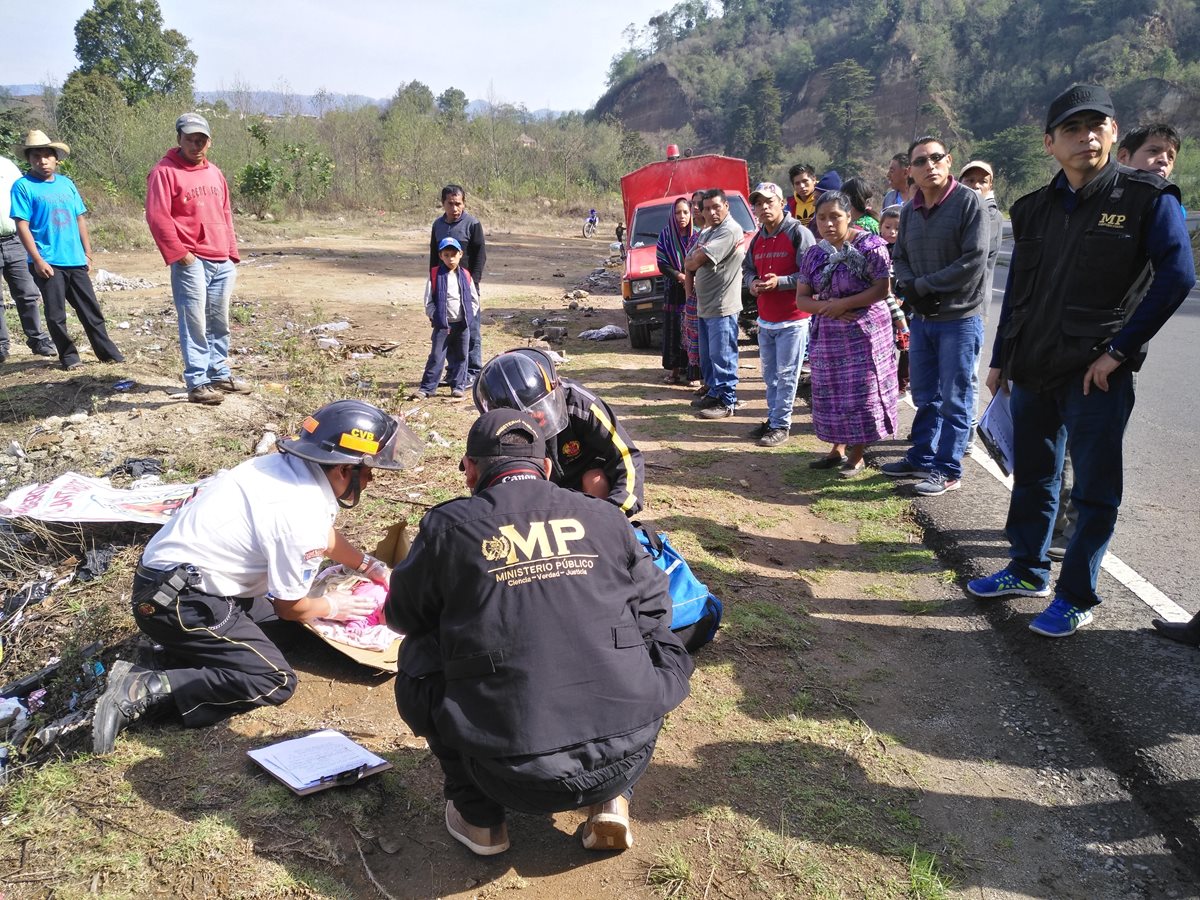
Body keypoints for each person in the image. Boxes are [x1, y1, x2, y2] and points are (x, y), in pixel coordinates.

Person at [385, 409, 693, 855]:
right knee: (653, 637)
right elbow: (655, 607)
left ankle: (480, 818)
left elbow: (402, 616)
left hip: (507, 773)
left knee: (418, 652)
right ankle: (613, 801)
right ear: (546, 466)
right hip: (627, 753)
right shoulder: (606, 517)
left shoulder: (447, 528)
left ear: (470, 470)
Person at [968, 84, 1195, 638]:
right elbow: (1018, 292)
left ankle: (1076, 596)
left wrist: (1120, 351)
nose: (1085, 137)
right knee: (1033, 478)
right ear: (1050, 143)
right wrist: (1001, 359)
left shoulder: (1148, 198)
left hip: (1097, 374)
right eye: (1072, 128)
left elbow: (1177, 277)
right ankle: (1027, 569)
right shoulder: (1033, 209)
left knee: (1094, 491)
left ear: (1113, 134)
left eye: (1097, 126)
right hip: (1033, 366)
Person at [92, 401, 424, 753]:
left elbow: (323, 536)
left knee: (291, 633)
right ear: (344, 468)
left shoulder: (289, 470)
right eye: (369, 471)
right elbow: (289, 606)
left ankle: (170, 654)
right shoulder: (299, 513)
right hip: (177, 601)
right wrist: (333, 606)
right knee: (273, 678)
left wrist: (371, 567)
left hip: (181, 583)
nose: (371, 480)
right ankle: (144, 687)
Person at [883, 135, 988, 496]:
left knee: (956, 397)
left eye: (936, 158)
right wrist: (910, 286)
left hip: (959, 318)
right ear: (910, 171)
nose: (929, 166)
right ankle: (922, 456)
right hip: (923, 318)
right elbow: (900, 257)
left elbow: (973, 260)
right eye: (920, 161)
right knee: (925, 394)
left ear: (949, 161)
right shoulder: (910, 210)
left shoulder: (968, 202)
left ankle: (947, 469)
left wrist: (923, 286)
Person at [146, 113, 247, 406]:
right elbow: (157, 216)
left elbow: (225, 213)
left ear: (209, 142)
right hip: (192, 259)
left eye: (201, 140)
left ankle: (219, 373)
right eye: (190, 139)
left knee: (219, 321)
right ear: (179, 139)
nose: (196, 145)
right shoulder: (164, 172)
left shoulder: (215, 172)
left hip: (221, 258)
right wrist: (181, 254)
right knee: (194, 322)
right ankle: (198, 382)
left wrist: (231, 252)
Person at [796, 191, 899, 477]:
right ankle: (836, 449)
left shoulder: (870, 247)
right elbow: (802, 299)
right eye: (822, 218)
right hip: (829, 335)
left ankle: (857, 455)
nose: (828, 224)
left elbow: (882, 289)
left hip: (865, 333)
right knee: (834, 393)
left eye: (835, 217)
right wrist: (830, 308)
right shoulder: (815, 254)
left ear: (849, 216)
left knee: (861, 393)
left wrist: (845, 304)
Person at [473, 348, 645, 516]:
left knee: (595, 479)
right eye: (526, 416)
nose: (537, 415)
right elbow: (488, 486)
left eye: (539, 406)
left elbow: (626, 455)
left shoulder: (581, 405)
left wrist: (616, 512)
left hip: (584, 488)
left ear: (552, 387)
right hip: (534, 491)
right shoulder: (496, 430)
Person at [9, 130, 123, 371]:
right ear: (29, 160)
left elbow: (80, 218)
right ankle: (70, 357)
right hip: (48, 262)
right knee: (56, 315)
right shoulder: (23, 187)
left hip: (75, 259)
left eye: (47, 156)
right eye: (36, 156)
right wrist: (37, 259)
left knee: (90, 310)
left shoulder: (67, 184)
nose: (42, 161)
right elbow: (22, 225)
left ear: (56, 158)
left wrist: (87, 252)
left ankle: (108, 354)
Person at [742, 181, 815, 447]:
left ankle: (781, 425)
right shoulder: (757, 238)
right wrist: (752, 283)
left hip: (793, 319)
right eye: (758, 204)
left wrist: (781, 282)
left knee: (787, 375)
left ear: (782, 203)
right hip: (766, 319)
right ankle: (773, 420)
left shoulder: (798, 233)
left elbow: (811, 274)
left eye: (768, 202)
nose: (763, 207)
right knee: (770, 375)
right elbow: (747, 269)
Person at [685, 188, 746, 420]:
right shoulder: (708, 232)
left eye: (716, 207)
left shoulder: (730, 230)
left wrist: (695, 258)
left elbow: (696, 259)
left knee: (723, 355)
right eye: (707, 208)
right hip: (706, 305)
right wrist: (694, 259)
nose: (711, 212)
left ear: (726, 207)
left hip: (723, 305)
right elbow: (688, 261)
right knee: (708, 355)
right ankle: (713, 392)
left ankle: (727, 401)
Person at [410, 237, 479, 400]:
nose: (450, 259)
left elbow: (474, 300)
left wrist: (469, 315)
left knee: (462, 357)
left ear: (460, 254)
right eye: (446, 255)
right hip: (443, 326)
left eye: (453, 255)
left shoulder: (465, 275)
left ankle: (458, 386)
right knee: (436, 356)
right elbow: (428, 301)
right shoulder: (435, 275)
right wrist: (436, 316)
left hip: (462, 325)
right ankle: (427, 388)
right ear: (441, 256)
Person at [0, 153, 54, 363]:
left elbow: (26, 197)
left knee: (28, 293)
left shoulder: (7, 165)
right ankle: (1, 346)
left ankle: (38, 340)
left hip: (14, 240)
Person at [430, 185, 487, 382]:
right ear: (443, 203)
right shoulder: (437, 226)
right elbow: (434, 256)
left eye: (458, 204)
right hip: (444, 285)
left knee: (470, 329)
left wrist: (473, 282)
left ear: (464, 204)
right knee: (447, 329)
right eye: (450, 204)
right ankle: (454, 371)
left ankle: (472, 372)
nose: (454, 208)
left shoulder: (472, 224)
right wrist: (434, 282)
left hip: (465, 285)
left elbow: (480, 256)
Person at [655, 197, 698, 385]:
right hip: (674, 290)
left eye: (685, 212)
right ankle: (674, 371)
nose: (682, 216)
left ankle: (694, 373)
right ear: (672, 214)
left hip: (695, 290)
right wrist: (681, 277)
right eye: (678, 212)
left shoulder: (697, 235)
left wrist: (692, 279)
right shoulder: (665, 236)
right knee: (674, 331)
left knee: (692, 330)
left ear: (691, 214)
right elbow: (662, 263)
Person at [682, 190, 707, 389]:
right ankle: (698, 375)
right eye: (693, 204)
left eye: (700, 204)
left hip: (712, 299)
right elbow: (688, 269)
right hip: (695, 299)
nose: (696, 208)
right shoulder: (694, 238)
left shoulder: (717, 235)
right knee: (694, 335)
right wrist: (689, 297)